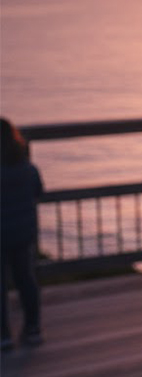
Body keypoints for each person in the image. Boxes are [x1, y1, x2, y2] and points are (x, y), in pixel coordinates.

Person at [1, 118, 44, 351]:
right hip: (23, 233)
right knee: (26, 280)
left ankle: (3, 335)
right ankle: (33, 328)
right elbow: (38, 191)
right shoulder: (29, 169)